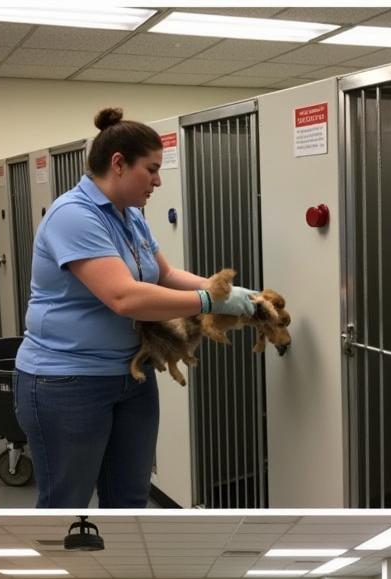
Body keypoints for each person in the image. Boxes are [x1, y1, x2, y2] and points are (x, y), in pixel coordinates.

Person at [14, 106, 260, 508]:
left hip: (131, 376)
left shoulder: (131, 216)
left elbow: (163, 274)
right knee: (66, 501)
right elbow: (124, 297)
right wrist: (207, 300)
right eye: (152, 169)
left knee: (130, 496)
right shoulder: (73, 216)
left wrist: (234, 293)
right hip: (68, 382)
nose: (158, 181)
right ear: (118, 164)